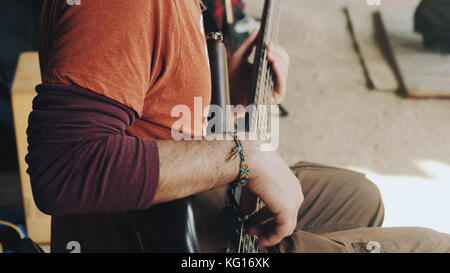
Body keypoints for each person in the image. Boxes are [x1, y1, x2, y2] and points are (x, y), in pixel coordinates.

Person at [26, 0, 450, 253]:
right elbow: (64, 169)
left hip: (194, 207)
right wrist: (243, 156)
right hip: (164, 239)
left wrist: (231, 89)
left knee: (359, 198)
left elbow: (153, 107)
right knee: (433, 246)